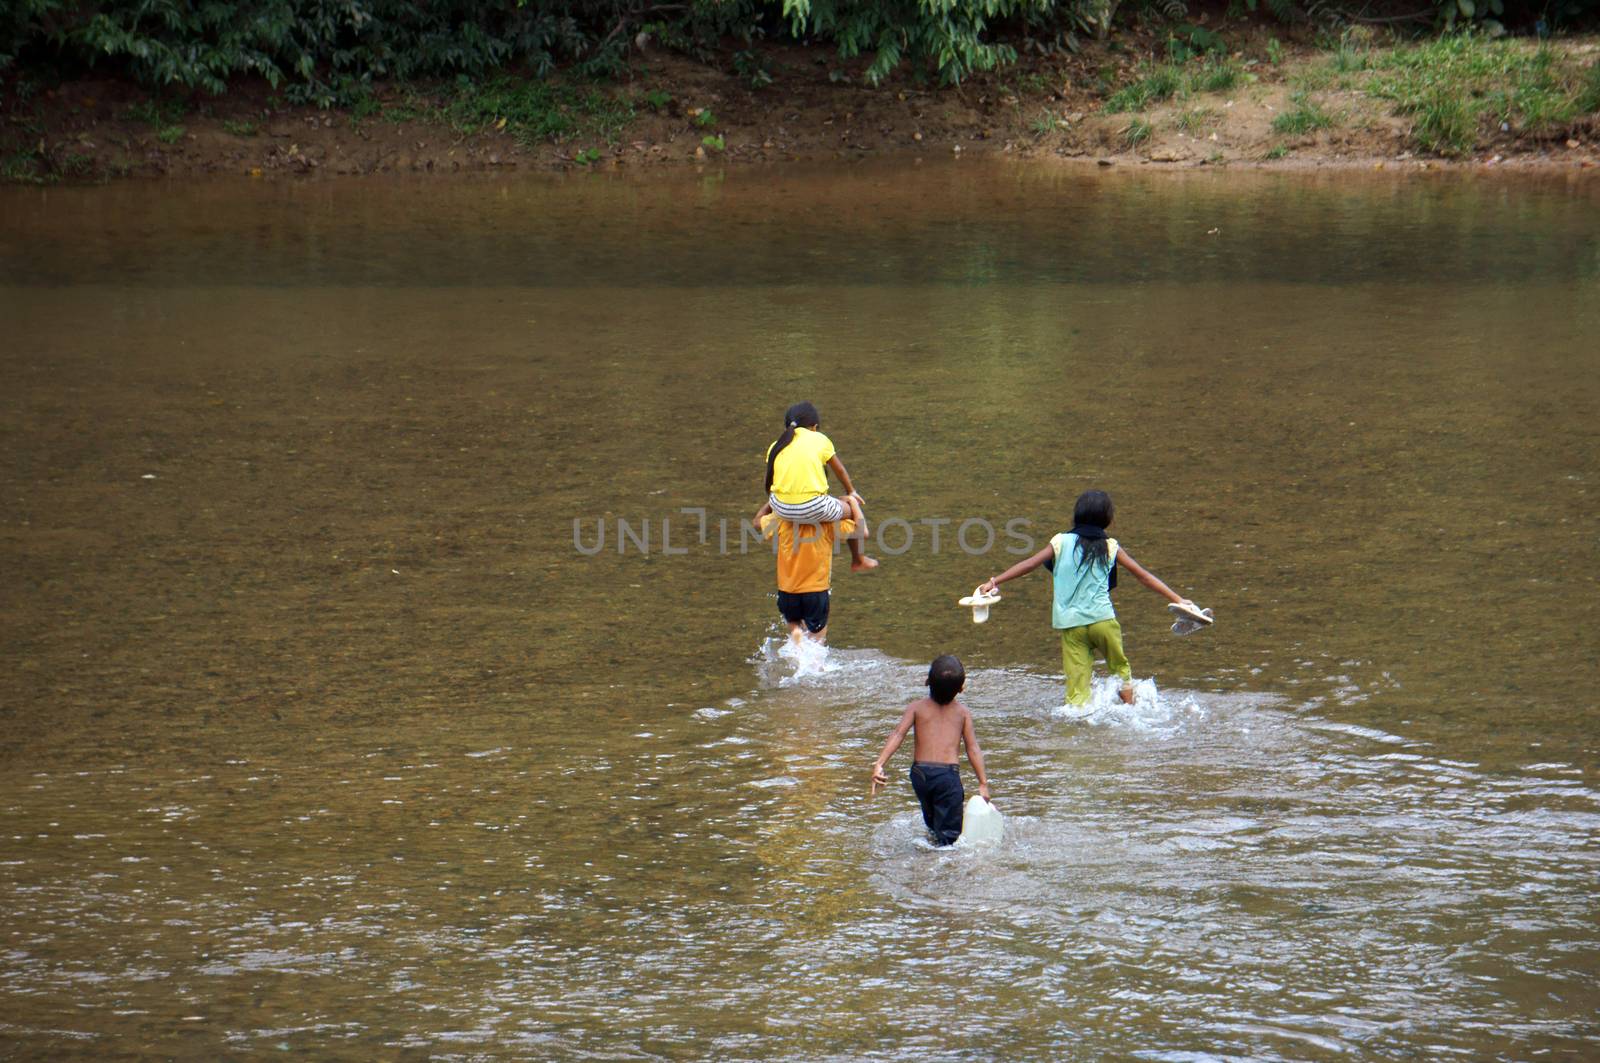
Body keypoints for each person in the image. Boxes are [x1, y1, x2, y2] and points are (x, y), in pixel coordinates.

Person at [979, 489, 1197, 708]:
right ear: (1107, 519)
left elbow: (1028, 564)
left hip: (1072, 625)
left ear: (1077, 515)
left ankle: (1078, 719)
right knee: (1121, 672)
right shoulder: (1111, 546)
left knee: (1077, 687)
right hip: (1103, 621)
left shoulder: (1060, 541)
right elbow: (1144, 577)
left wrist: (994, 582)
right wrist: (1178, 599)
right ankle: (1130, 712)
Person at [870, 655, 991, 847]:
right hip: (947, 777)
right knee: (950, 835)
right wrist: (983, 782)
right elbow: (972, 748)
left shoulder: (916, 708)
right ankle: (943, 861)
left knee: (933, 822)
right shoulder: (962, 713)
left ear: (927, 682)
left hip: (920, 775)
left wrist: (879, 763)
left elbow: (898, 735)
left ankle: (930, 848)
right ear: (961, 688)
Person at [754, 401, 876, 571]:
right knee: (849, 510)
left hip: (781, 508)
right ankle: (858, 559)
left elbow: (772, 480)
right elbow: (839, 470)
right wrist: (851, 493)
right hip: (814, 507)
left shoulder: (776, 446)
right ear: (814, 427)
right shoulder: (819, 439)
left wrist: (778, 500)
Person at [761, 494, 866, 644]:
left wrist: (775, 500)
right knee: (817, 641)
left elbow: (757, 521)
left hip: (787, 591)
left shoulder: (781, 521)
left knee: (794, 623)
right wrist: (852, 502)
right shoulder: (828, 524)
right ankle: (815, 663)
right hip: (815, 592)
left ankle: (796, 632)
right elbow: (860, 530)